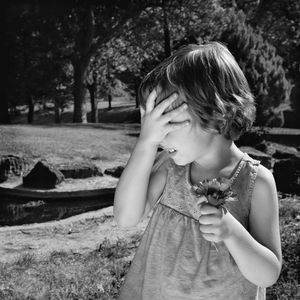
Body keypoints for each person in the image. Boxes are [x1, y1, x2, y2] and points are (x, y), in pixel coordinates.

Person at [114, 42, 282, 300]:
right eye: (153, 126)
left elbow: (268, 274)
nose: (159, 137)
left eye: (168, 123)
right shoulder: (169, 167)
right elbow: (126, 217)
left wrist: (231, 232)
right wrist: (145, 143)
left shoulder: (255, 182)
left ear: (217, 115)